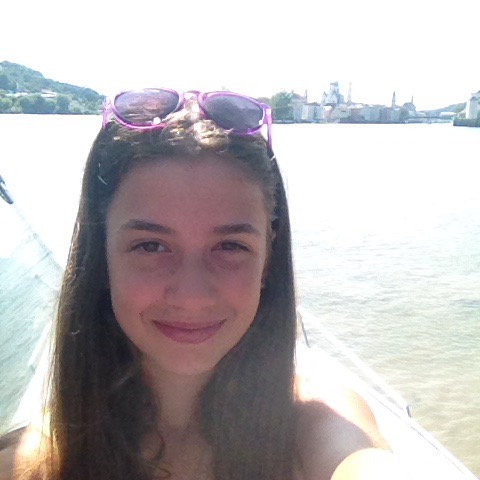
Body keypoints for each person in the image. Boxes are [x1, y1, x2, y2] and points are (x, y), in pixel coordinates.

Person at [1, 89, 407, 480]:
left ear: (268, 258)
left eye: (230, 246)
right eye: (151, 246)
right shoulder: (34, 464)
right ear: (101, 257)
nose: (192, 295)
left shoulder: (317, 427)